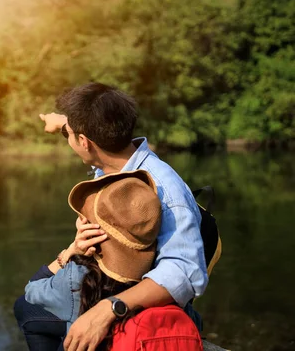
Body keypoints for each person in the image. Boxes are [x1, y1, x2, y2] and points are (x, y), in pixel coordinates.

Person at [14, 82, 207, 351]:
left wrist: (108, 309)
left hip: (138, 309)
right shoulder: (112, 157)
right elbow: (78, 126)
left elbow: (186, 274)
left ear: (84, 142)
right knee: (26, 307)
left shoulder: (166, 191)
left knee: (33, 309)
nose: (68, 138)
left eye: (69, 134)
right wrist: (58, 122)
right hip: (103, 285)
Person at [23, 170, 203, 351]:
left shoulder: (80, 279)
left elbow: (31, 292)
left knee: (25, 311)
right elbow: (196, 321)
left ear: (95, 234)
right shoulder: (158, 283)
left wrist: (70, 252)